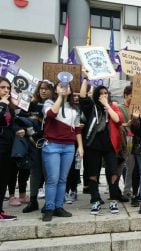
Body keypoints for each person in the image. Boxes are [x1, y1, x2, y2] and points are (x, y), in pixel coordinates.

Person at [79, 79, 125, 215]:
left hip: (110, 146)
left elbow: (117, 119)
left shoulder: (113, 106)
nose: (104, 95)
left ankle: (113, 199)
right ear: (96, 95)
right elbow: (82, 97)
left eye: (106, 93)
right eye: (101, 93)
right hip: (93, 145)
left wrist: (108, 106)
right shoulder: (91, 107)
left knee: (113, 172)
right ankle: (95, 200)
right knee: (93, 173)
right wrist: (85, 79)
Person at [41, 80, 83, 222]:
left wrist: (81, 146)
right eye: (61, 86)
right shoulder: (48, 103)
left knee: (62, 179)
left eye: (67, 86)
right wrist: (59, 96)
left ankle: (59, 206)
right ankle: (49, 208)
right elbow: (52, 114)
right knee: (52, 178)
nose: (65, 88)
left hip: (69, 146)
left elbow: (77, 129)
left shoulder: (75, 108)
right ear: (56, 89)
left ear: (71, 90)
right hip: (52, 145)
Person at [22, 80, 55, 213]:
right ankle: (33, 201)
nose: (43, 91)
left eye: (46, 89)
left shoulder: (54, 105)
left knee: (49, 173)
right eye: (41, 88)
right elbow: (23, 120)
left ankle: (49, 202)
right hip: (34, 143)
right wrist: (29, 135)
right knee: (35, 173)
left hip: (50, 143)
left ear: (52, 91)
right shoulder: (32, 104)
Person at [0, 77, 18, 221]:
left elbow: (10, 124)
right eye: (2, 87)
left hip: (7, 146)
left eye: (8, 88)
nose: (6, 90)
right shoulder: (2, 104)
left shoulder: (7, 105)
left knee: (3, 179)